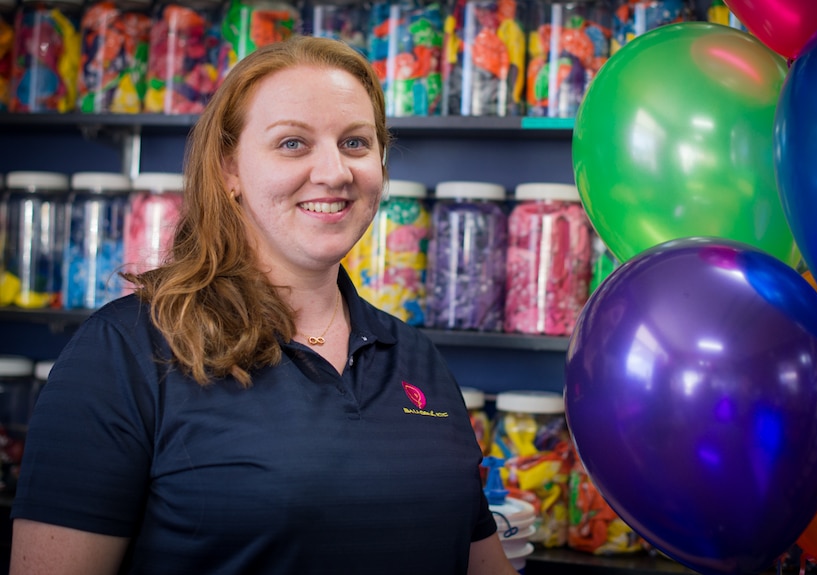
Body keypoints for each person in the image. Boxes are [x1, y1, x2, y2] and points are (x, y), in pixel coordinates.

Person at [9, 36, 518, 575]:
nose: (336, 172)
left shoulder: (416, 356)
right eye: (293, 143)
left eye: (355, 143)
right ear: (229, 170)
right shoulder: (126, 350)